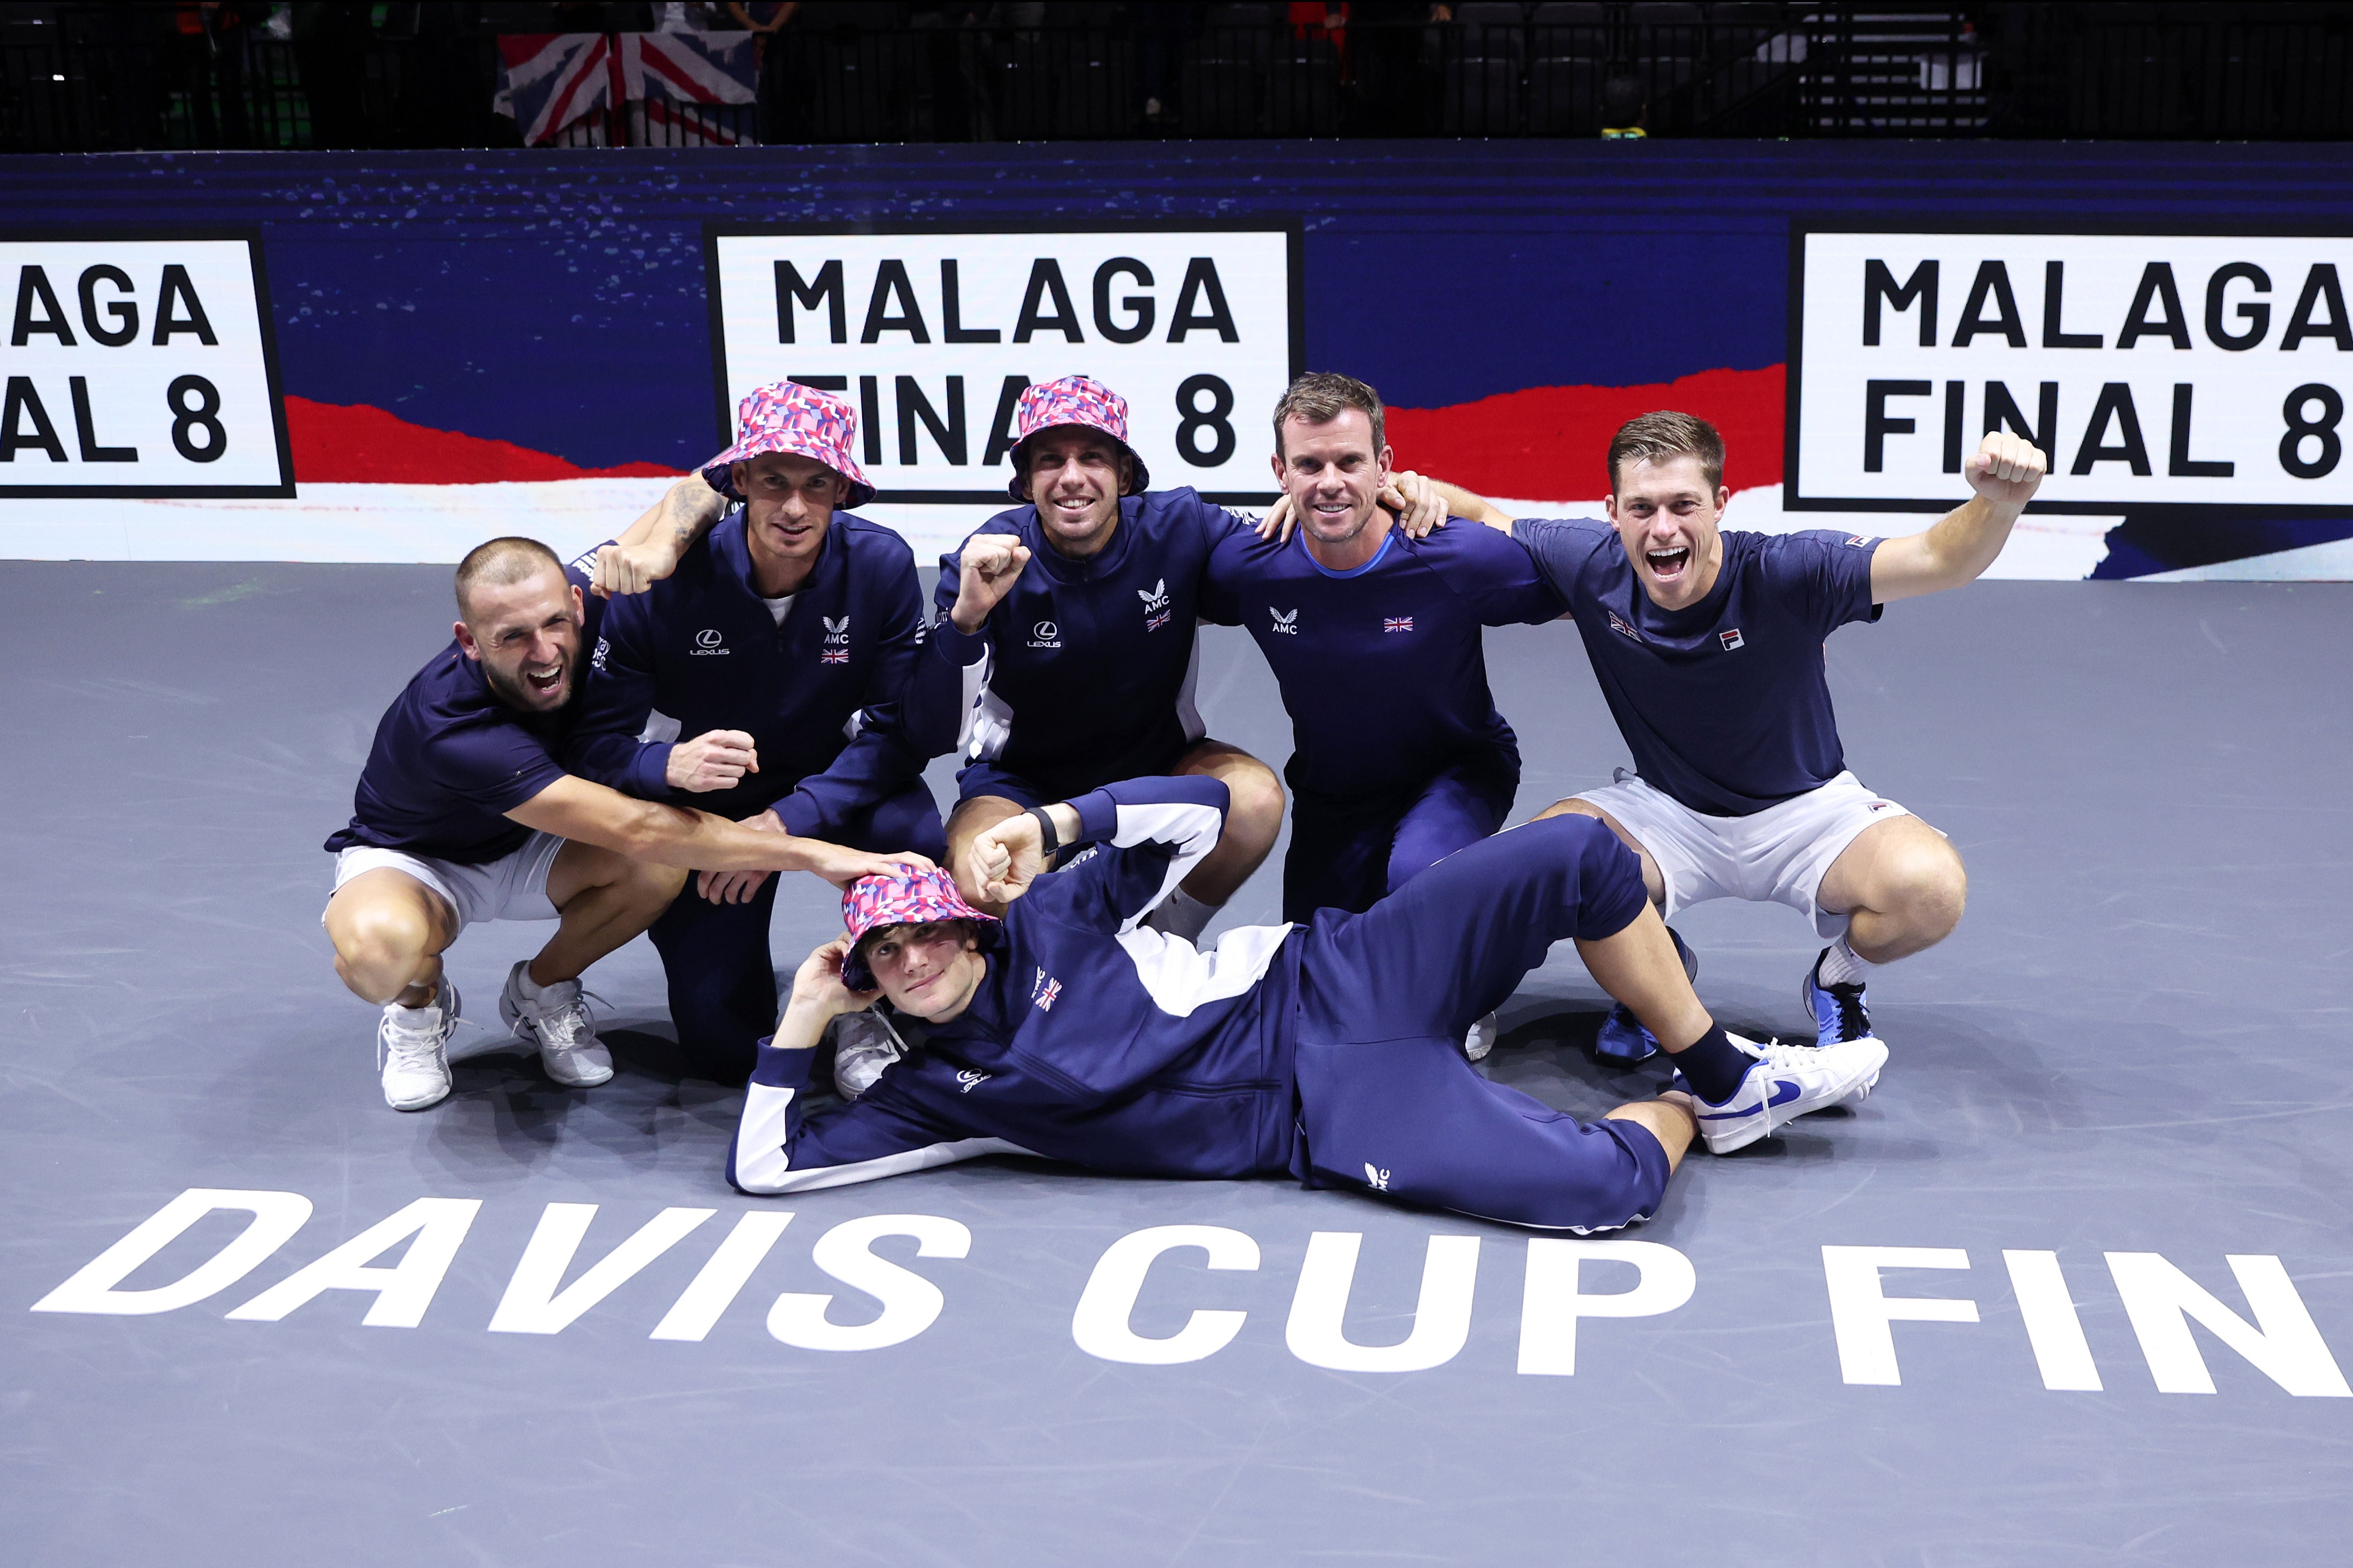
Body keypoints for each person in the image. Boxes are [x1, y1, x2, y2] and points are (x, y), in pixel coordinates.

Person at [726, 777, 1889, 1226]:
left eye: (926, 931)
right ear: (866, 976)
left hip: (1332, 974)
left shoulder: (1050, 915)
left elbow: (1215, 808)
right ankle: (1688, 1110)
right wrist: (796, 1023)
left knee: (1577, 854)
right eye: (884, 955)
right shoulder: (935, 1094)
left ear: (968, 922)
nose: (913, 959)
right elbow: (768, 1171)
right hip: (1321, 1115)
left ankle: (1734, 1083)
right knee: (1592, 1191)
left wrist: (1061, 826)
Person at [1403, 412, 2047, 1060]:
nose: (1662, 528)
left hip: (1808, 813)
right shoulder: (1590, 564)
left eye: (1683, 504)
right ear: (1612, 512)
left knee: (1930, 888)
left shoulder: (1786, 572)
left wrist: (1996, 503)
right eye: (1641, 507)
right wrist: (1403, 487)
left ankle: (1835, 978)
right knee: (1540, 868)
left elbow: (1941, 556)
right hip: (1667, 810)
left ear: (1719, 503)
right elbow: (1486, 518)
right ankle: (1657, 978)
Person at [322, 536, 924, 1113]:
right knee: (381, 952)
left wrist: (662, 548)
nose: (544, 651)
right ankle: (418, 1006)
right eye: (512, 637)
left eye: (555, 623)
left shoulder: (585, 595)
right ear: (469, 641)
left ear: (578, 602)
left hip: (535, 844)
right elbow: (638, 826)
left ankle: (542, 989)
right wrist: (813, 853)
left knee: (656, 872)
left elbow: (689, 499)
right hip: (421, 860)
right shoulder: (452, 730)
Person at [568, 381, 943, 1087]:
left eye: (815, 484)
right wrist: (664, 766)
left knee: (912, 839)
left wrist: (785, 826)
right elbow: (594, 744)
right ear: (738, 481)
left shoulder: (882, 565)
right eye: (773, 482)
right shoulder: (667, 578)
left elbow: (899, 734)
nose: (795, 508)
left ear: (840, 491)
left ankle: (872, 1000)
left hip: (828, 786)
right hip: (708, 800)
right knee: (719, 1052)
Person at [1200, 371, 1562, 1059]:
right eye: (1308, 465)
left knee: (1420, 879)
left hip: (1456, 770)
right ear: (1279, 471)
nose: (1329, 481)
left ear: (1386, 466)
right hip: (1334, 793)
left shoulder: (1452, 554)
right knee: (1315, 992)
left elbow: (1588, 585)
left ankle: (1488, 969)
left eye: (1349, 461)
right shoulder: (1248, 567)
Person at [910, 375, 1300, 942]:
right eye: (1050, 460)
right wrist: (966, 618)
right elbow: (929, 728)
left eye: (1092, 456)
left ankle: (1167, 941)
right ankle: (1036, 988)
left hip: (1159, 767)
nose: (1072, 477)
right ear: (1025, 481)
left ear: (1123, 473)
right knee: (978, 878)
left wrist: (1385, 494)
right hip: (1024, 781)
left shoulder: (1182, 525)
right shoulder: (983, 560)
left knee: (1255, 800)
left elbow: (1297, 544)